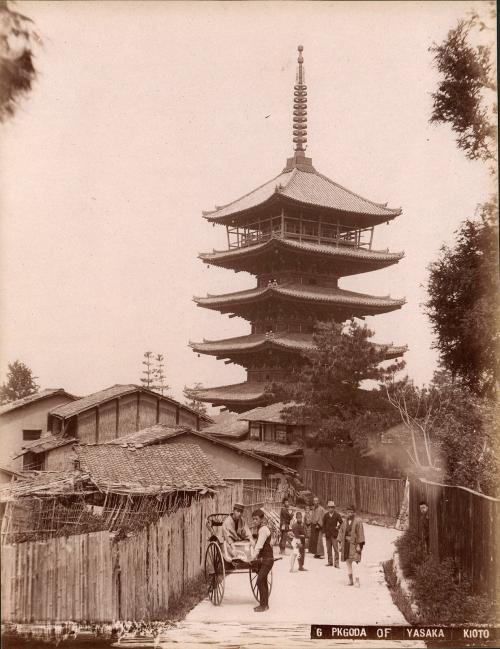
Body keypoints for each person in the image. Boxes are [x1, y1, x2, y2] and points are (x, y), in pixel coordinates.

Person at [250, 508, 274, 612]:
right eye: (253, 519)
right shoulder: (260, 529)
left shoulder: (263, 530)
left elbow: (259, 546)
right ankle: (265, 605)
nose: (254, 521)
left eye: (256, 519)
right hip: (264, 559)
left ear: (261, 519)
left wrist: (252, 557)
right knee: (263, 580)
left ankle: (263, 606)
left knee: (259, 581)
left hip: (267, 560)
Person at [338, 504, 365, 586]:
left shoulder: (358, 522)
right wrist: (340, 544)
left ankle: (357, 581)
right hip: (346, 544)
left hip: (354, 545)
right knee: (348, 562)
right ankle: (350, 581)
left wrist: (359, 545)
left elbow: (360, 534)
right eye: (348, 512)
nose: (349, 514)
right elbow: (341, 532)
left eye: (351, 512)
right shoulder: (345, 522)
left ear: (354, 513)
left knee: (355, 562)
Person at [322, 500, 343, 567]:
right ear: (328, 508)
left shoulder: (337, 515)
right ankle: (330, 562)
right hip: (328, 535)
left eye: (332, 507)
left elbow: (342, 523)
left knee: (336, 549)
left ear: (334, 508)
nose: (331, 509)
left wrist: (338, 527)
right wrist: (324, 533)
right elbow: (323, 524)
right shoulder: (326, 515)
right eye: (329, 507)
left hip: (334, 535)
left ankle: (336, 563)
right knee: (328, 549)